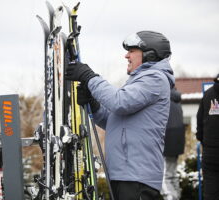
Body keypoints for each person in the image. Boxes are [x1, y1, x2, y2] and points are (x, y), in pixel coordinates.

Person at [65, 31, 175, 199]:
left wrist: (90, 77)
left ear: (149, 55)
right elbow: (113, 120)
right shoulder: (138, 80)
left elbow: (120, 101)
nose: (126, 55)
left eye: (132, 51)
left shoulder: (155, 79)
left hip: (137, 175)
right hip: (124, 173)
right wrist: (94, 106)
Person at [196, 74, 219, 200]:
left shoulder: (208, 94)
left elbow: (199, 122)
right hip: (210, 150)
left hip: (210, 153)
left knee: (210, 192)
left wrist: (204, 141)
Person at [161, 88, 185, 200]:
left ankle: (171, 197)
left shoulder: (165, 99)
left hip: (169, 140)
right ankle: (177, 196)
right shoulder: (177, 101)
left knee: (165, 176)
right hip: (178, 141)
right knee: (173, 173)